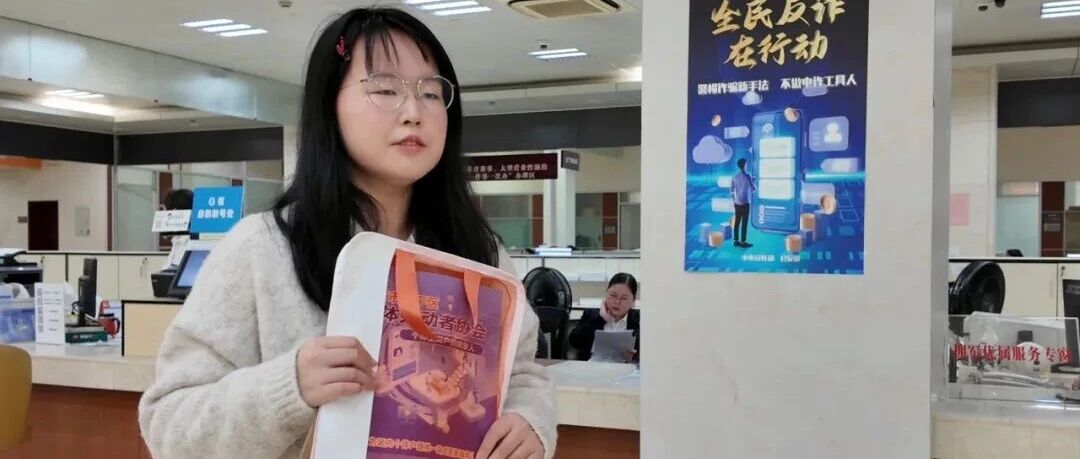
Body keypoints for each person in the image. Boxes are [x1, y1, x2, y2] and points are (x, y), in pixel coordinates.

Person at [138, 8, 555, 459]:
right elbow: (168, 425)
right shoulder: (262, 248)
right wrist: (288, 387)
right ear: (329, 105)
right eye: (385, 89)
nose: (414, 112)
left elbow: (522, 374)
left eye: (431, 93)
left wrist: (530, 420)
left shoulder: (478, 251)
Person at [569, 273, 640, 362]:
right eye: (613, 295)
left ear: (633, 300)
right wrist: (601, 319)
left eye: (624, 298)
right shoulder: (591, 314)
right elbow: (574, 342)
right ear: (606, 293)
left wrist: (635, 357)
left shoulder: (640, 320)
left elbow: (649, 351)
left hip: (624, 368)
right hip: (593, 367)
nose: (617, 302)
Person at [730, 157, 755, 248]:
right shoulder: (747, 176)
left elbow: (731, 190)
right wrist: (753, 181)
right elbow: (753, 189)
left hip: (737, 202)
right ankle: (743, 242)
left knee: (737, 222)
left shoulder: (734, 176)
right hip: (745, 202)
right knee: (744, 222)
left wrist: (734, 200)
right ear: (745, 165)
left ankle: (736, 241)